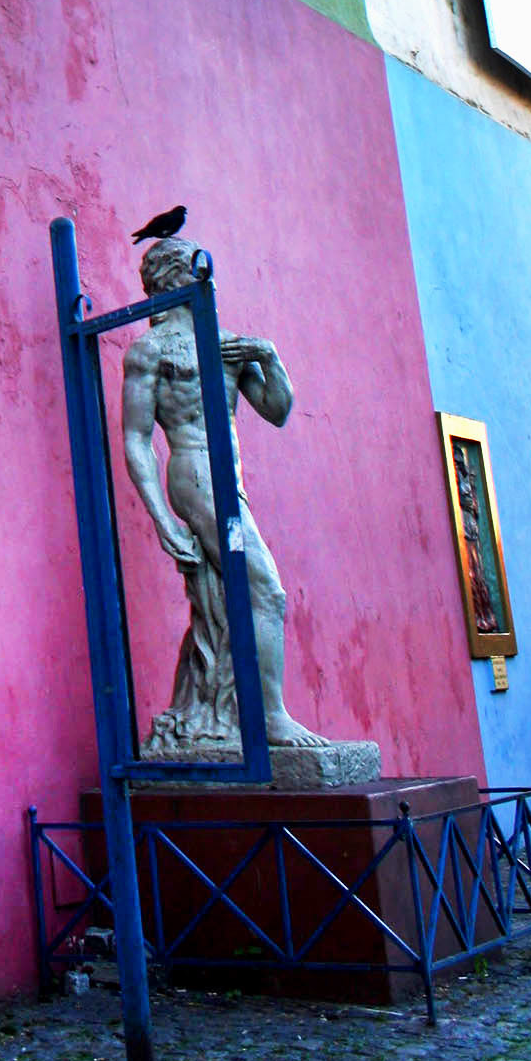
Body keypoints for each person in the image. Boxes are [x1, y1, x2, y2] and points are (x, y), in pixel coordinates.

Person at [120, 237, 325, 758]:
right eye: (195, 268)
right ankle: (271, 716)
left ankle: (211, 709)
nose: (206, 276)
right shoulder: (152, 350)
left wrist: (269, 356)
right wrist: (162, 519)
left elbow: (276, 410)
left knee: (217, 603)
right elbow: (136, 438)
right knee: (265, 590)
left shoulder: (226, 341)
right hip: (194, 477)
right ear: (172, 278)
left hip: (230, 483)